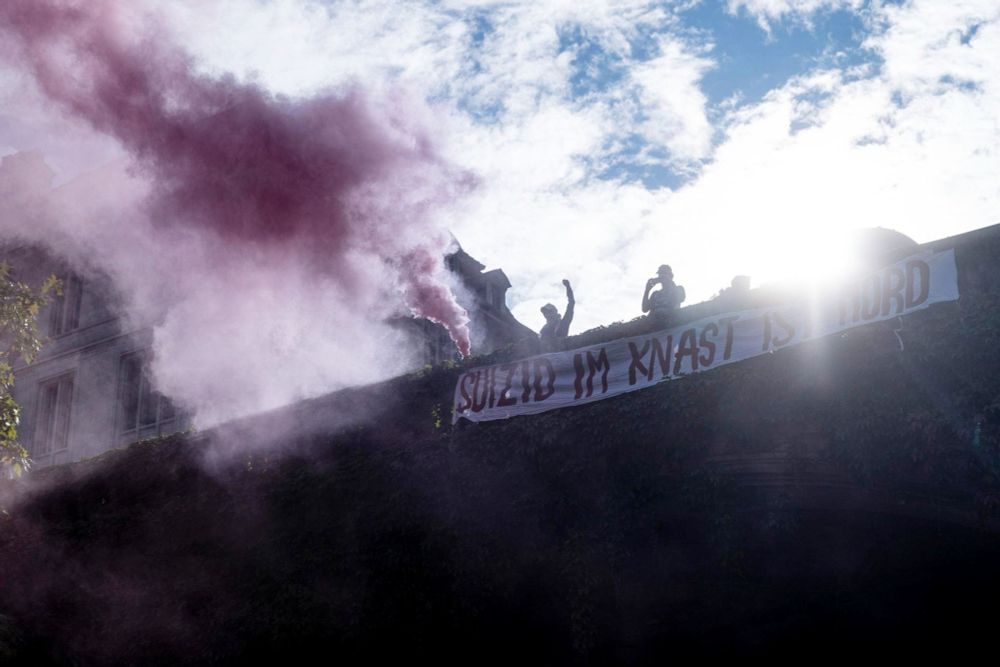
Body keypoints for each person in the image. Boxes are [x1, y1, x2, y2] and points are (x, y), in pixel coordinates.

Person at [539, 279, 575, 350]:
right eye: (545, 312)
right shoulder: (544, 329)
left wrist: (568, 287)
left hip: (561, 352)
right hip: (546, 354)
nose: (546, 314)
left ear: (554, 312)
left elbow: (571, 303)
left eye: (549, 312)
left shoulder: (563, 323)